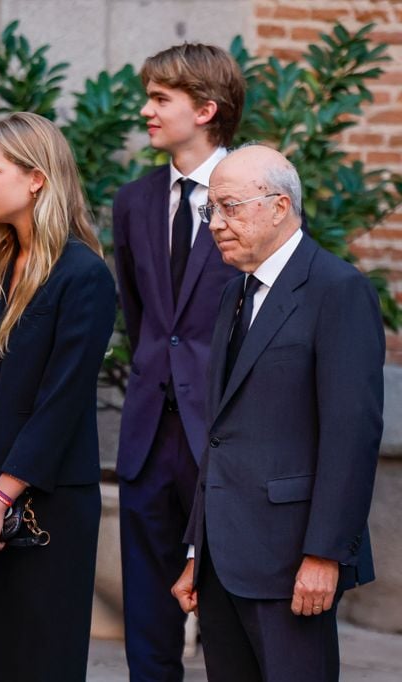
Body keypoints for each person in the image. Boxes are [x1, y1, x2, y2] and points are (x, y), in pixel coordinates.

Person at [171, 145, 384, 681]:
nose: (217, 223)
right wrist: (199, 548)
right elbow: (222, 433)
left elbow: (350, 434)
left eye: (230, 207)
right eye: (210, 210)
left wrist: (325, 556)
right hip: (223, 559)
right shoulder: (234, 294)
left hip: (293, 561)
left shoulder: (338, 290)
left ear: (279, 206)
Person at [0, 112, 115, 681]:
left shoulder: (84, 276)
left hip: (45, 506)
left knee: (38, 663)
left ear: (36, 178)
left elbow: (60, 403)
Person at [110, 43, 245, 681]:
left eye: (161, 99)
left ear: (206, 109)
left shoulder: (254, 193)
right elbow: (144, 322)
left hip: (222, 432)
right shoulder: (133, 201)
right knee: (147, 617)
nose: (147, 111)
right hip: (146, 433)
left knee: (226, 615)